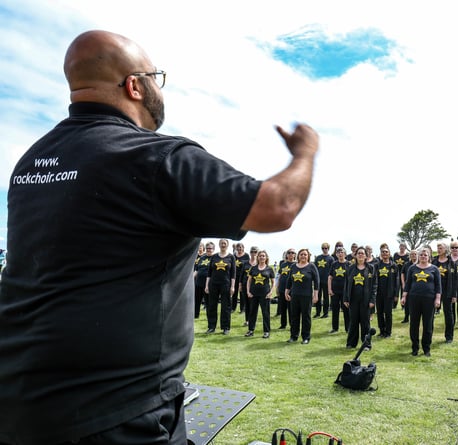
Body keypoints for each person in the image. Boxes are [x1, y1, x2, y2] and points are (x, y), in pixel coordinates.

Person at [0, 30, 319, 445]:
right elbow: (277, 206)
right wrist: (305, 154)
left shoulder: (31, 163)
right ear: (135, 85)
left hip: (19, 403)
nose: (158, 89)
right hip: (113, 412)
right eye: (156, 77)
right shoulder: (153, 157)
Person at [401, 247, 441, 357]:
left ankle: (426, 348)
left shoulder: (434, 269)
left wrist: (437, 299)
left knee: (428, 324)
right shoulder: (412, 269)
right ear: (418, 256)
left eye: (425, 255)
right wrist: (404, 297)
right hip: (414, 299)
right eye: (421, 255)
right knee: (414, 324)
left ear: (429, 257)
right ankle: (415, 347)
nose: (423, 256)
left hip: (429, 299)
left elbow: (438, 286)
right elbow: (408, 284)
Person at [344, 247, 377, 349]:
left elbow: (375, 285)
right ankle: (351, 343)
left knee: (365, 322)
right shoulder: (350, 268)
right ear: (355, 255)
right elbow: (346, 284)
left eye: (363, 253)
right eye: (359, 253)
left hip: (366, 300)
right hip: (353, 299)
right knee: (353, 322)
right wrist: (346, 298)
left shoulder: (371, 268)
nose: (361, 255)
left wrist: (372, 300)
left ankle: (366, 344)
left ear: (366, 256)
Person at [285, 248, 320, 344]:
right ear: (298, 256)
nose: (303, 256)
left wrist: (315, 295)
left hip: (307, 296)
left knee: (306, 317)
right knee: (294, 316)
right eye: (301, 254)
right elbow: (289, 280)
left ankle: (306, 337)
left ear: (308, 256)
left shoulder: (311, 266)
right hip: (295, 295)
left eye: (305, 254)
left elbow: (317, 282)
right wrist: (286, 292)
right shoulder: (293, 266)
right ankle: (293, 336)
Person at [205, 238, 236, 334]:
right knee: (212, 305)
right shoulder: (214, 257)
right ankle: (211, 327)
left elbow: (233, 274)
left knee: (225, 306)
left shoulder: (231, 257)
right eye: (221, 243)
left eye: (225, 243)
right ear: (219, 245)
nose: (223, 245)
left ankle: (226, 327)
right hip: (213, 284)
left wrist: (232, 287)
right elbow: (209, 273)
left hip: (226, 284)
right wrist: (207, 285)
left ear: (227, 245)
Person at [246, 250, 275, 338]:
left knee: (265, 313)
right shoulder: (253, 268)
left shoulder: (269, 269)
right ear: (258, 257)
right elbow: (249, 281)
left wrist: (270, 292)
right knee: (252, 313)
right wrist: (248, 291)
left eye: (263, 256)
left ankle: (266, 331)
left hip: (265, 294)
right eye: (260, 256)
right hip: (253, 294)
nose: (262, 257)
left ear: (266, 258)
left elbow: (273, 282)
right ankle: (250, 330)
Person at [375, 245, 399, 338]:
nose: (384, 253)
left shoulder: (393, 266)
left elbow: (397, 281)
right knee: (380, 313)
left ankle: (388, 332)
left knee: (388, 313)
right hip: (379, 293)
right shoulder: (377, 266)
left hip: (389, 294)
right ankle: (381, 330)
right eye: (383, 252)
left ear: (389, 254)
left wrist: (396, 294)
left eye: (386, 252)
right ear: (380, 254)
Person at [433, 242, 454, 342]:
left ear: (445, 249)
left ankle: (449, 336)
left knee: (448, 313)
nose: (438, 249)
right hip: (434, 291)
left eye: (440, 248)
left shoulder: (451, 262)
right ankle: (429, 334)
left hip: (447, 290)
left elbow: (455, 279)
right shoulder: (434, 261)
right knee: (430, 313)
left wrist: (454, 294)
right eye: (438, 248)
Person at [328, 246, 350, 333]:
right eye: (338, 252)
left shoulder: (349, 264)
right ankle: (335, 328)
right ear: (336, 254)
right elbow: (330, 277)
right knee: (335, 310)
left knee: (346, 310)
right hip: (335, 291)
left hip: (345, 292)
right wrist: (329, 289)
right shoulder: (334, 264)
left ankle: (348, 328)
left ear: (345, 254)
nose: (340, 254)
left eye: (342, 252)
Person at [275, 249, 296, 328]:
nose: (290, 254)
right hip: (282, 289)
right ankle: (283, 324)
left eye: (292, 253)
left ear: (295, 255)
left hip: (292, 290)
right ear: (286, 255)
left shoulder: (296, 264)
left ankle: (292, 324)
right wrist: (277, 287)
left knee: (291, 309)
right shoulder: (283, 264)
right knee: (282, 308)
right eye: (289, 253)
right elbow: (279, 276)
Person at [194, 241, 215, 318]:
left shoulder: (215, 258)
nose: (208, 250)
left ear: (213, 249)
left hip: (209, 284)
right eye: (207, 248)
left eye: (210, 248)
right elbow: (196, 270)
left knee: (208, 302)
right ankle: (196, 315)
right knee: (197, 300)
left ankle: (209, 316)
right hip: (198, 282)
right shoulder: (202, 258)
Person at [314, 242, 334, 318]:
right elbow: (314, 269)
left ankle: (325, 313)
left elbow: (332, 270)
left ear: (328, 249)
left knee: (326, 297)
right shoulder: (318, 258)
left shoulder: (331, 258)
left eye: (326, 248)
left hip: (326, 281)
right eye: (323, 248)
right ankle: (317, 312)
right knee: (318, 297)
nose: (324, 249)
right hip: (318, 281)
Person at [400, 249, 418, 323]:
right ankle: (406, 317)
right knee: (407, 302)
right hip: (408, 286)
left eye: (415, 254)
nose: (413, 255)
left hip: (416, 286)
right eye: (412, 254)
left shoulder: (420, 264)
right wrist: (403, 284)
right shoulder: (406, 264)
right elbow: (402, 274)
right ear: (409, 256)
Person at [232, 242, 250, 315]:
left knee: (242, 293)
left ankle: (243, 309)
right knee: (234, 293)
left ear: (243, 248)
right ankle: (233, 308)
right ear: (236, 248)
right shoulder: (234, 256)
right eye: (238, 247)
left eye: (241, 247)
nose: (239, 248)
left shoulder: (246, 256)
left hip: (242, 277)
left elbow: (249, 265)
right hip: (234, 277)